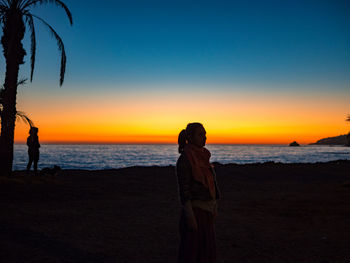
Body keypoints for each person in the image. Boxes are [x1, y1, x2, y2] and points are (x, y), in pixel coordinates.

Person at [176, 122, 220, 263]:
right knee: (191, 254)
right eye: (201, 135)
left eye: (205, 134)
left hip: (207, 212)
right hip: (195, 213)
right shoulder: (185, 159)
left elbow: (212, 184)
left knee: (206, 254)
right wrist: (190, 216)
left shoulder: (204, 157)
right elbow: (184, 190)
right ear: (190, 137)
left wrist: (214, 205)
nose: (205, 138)